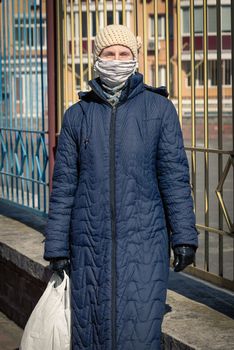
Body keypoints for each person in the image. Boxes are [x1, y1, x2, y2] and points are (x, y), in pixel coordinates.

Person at [43, 24, 199, 350]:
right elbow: (64, 186)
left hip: (145, 242)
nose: (116, 60)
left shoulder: (159, 111)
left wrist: (184, 236)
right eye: (109, 54)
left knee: (139, 335)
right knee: (92, 334)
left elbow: (173, 177)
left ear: (135, 58)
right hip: (88, 245)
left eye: (123, 54)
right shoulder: (77, 116)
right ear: (96, 59)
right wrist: (57, 246)